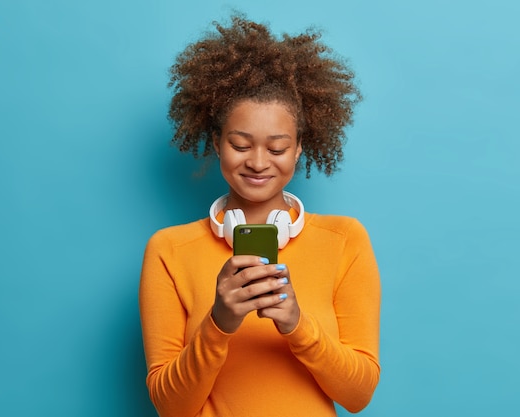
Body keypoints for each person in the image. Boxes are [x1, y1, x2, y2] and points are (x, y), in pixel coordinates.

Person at [139, 14, 381, 417]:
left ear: (300, 147)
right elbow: (170, 407)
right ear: (217, 143)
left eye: (277, 147)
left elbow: (357, 396)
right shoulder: (169, 250)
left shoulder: (344, 240)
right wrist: (218, 323)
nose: (257, 162)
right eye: (240, 144)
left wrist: (297, 325)